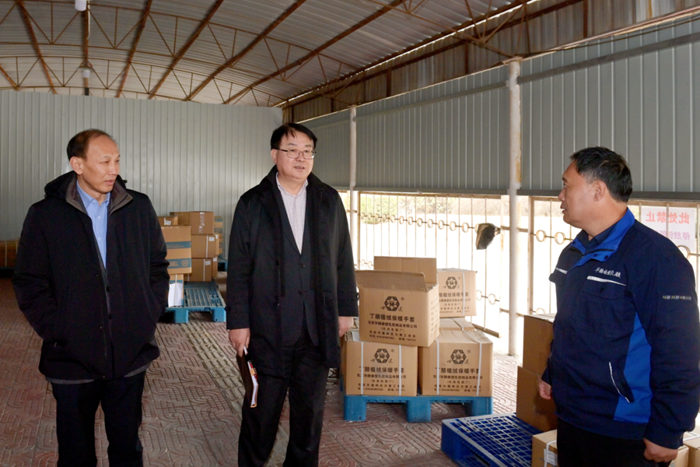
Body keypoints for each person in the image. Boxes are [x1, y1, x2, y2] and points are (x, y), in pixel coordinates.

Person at [13, 129, 169, 467]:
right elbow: (29, 281)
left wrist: (146, 315)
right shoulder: (46, 215)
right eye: (105, 161)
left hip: (129, 355)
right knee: (76, 453)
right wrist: (59, 329)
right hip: (72, 360)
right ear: (78, 164)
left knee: (127, 449)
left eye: (117, 161)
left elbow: (157, 266)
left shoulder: (138, 207)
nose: (114, 170)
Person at [538, 147, 700, 467]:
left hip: (624, 429)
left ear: (598, 190)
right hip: (573, 415)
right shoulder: (574, 253)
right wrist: (552, 372)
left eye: (567, 185)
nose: (560, 195)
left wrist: (668, 429)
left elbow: (680, 350)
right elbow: (569, 324)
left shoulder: (656, 259)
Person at [226, 122, 358, 466]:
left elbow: (343, 258)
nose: (301, 158)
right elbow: (238, 268)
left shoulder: (328, 200)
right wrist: (238, 321)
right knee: (261, 414)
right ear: (275, 155)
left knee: (309, 416)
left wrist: (346, 310)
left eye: (307, 151)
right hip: (268, 330)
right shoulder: (252, 203)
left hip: (316, 328)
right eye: (292, 150)